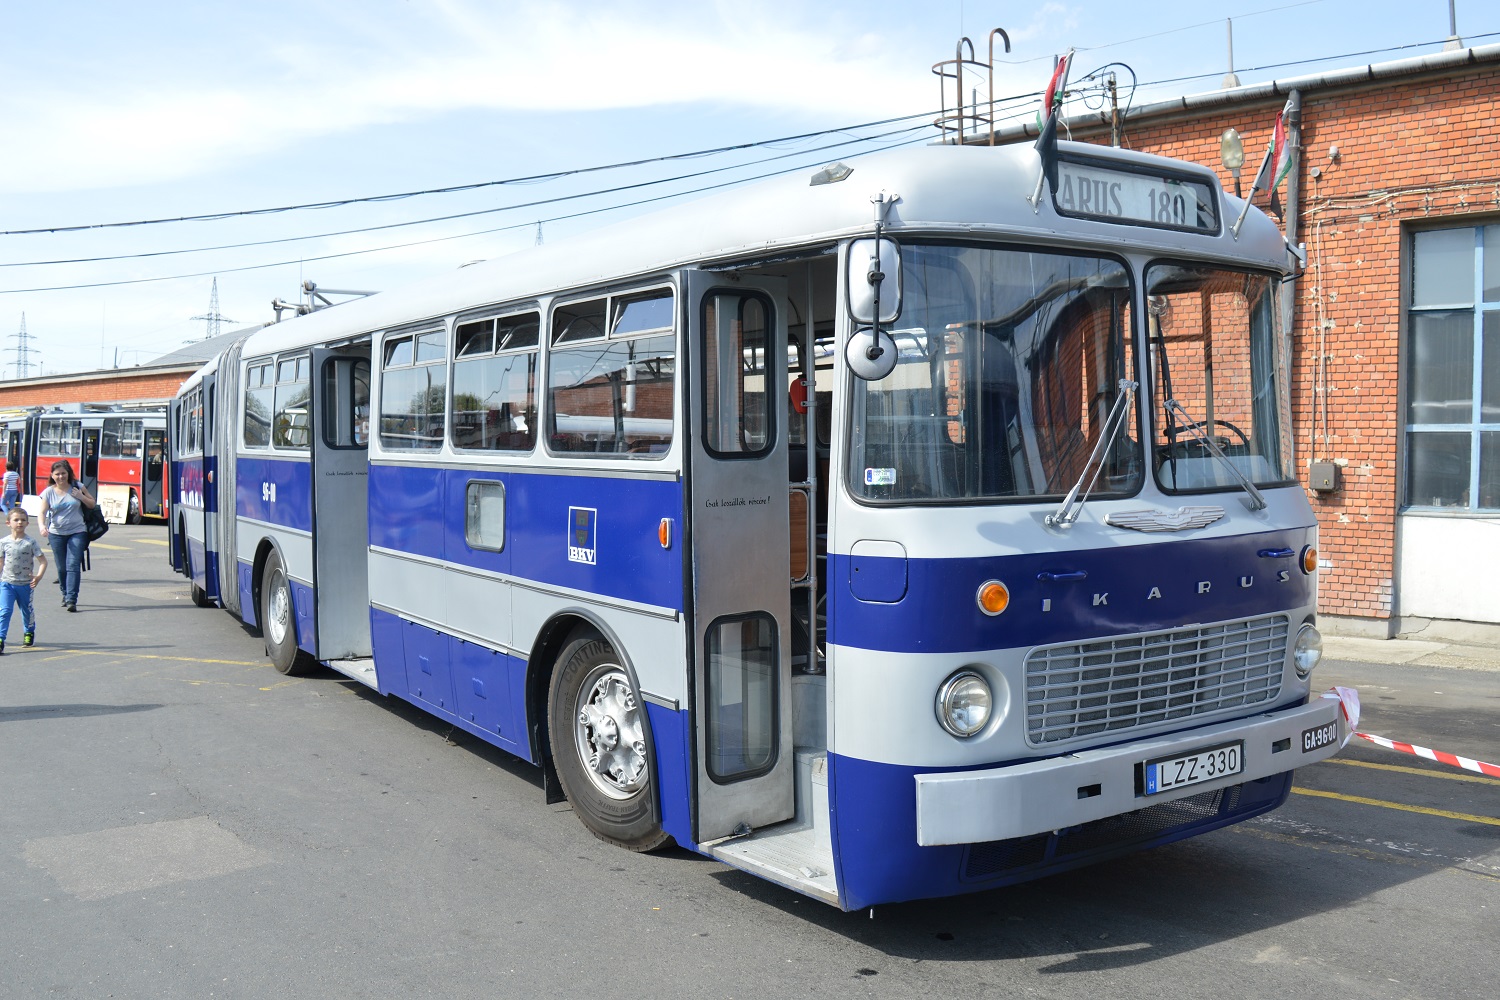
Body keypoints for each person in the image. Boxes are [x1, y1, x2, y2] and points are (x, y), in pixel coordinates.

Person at [39, 459, 95, 613]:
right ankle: (64, 593)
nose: (61, 477)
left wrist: (81, 497)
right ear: (52, 475)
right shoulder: (49, 492)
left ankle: (71, 599)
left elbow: (92, 504)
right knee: (62, 568)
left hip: (78, 531)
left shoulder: (78, 486)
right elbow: (42, 512)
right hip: (56, 534)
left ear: (68, 473)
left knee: (73, 565)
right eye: (57, 474)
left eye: (63, 473)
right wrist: (42, 526)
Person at [0, 507, 48, 654]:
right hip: (7, 583)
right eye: (16, 520)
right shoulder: (4, 542)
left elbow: (43, 561)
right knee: (4, 611)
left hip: (25, 584)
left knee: (26, 610)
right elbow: (1, 562)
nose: (19, 522)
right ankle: (1, 638)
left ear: (27, 523)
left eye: (23, 520)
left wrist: (38, 577)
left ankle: (29, 632)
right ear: (8, 523)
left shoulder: (30, 542)